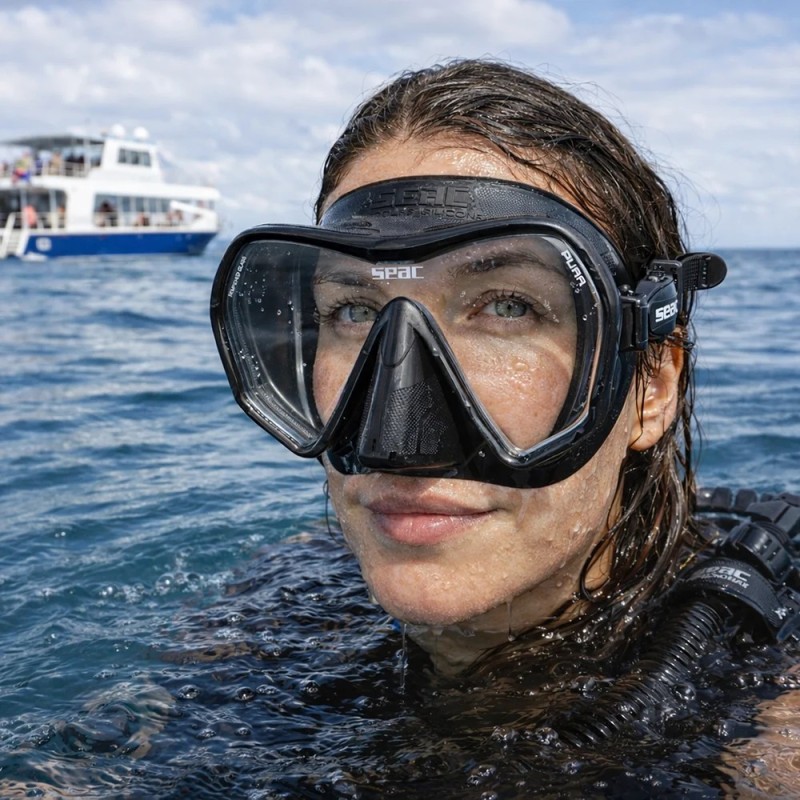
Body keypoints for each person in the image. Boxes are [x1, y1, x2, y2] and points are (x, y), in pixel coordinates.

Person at [211, 59, 799, 787]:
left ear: (649, 385)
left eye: (508, 306)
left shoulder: (769, 697)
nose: (396, 438)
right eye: (354, 311)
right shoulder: (282, 603)